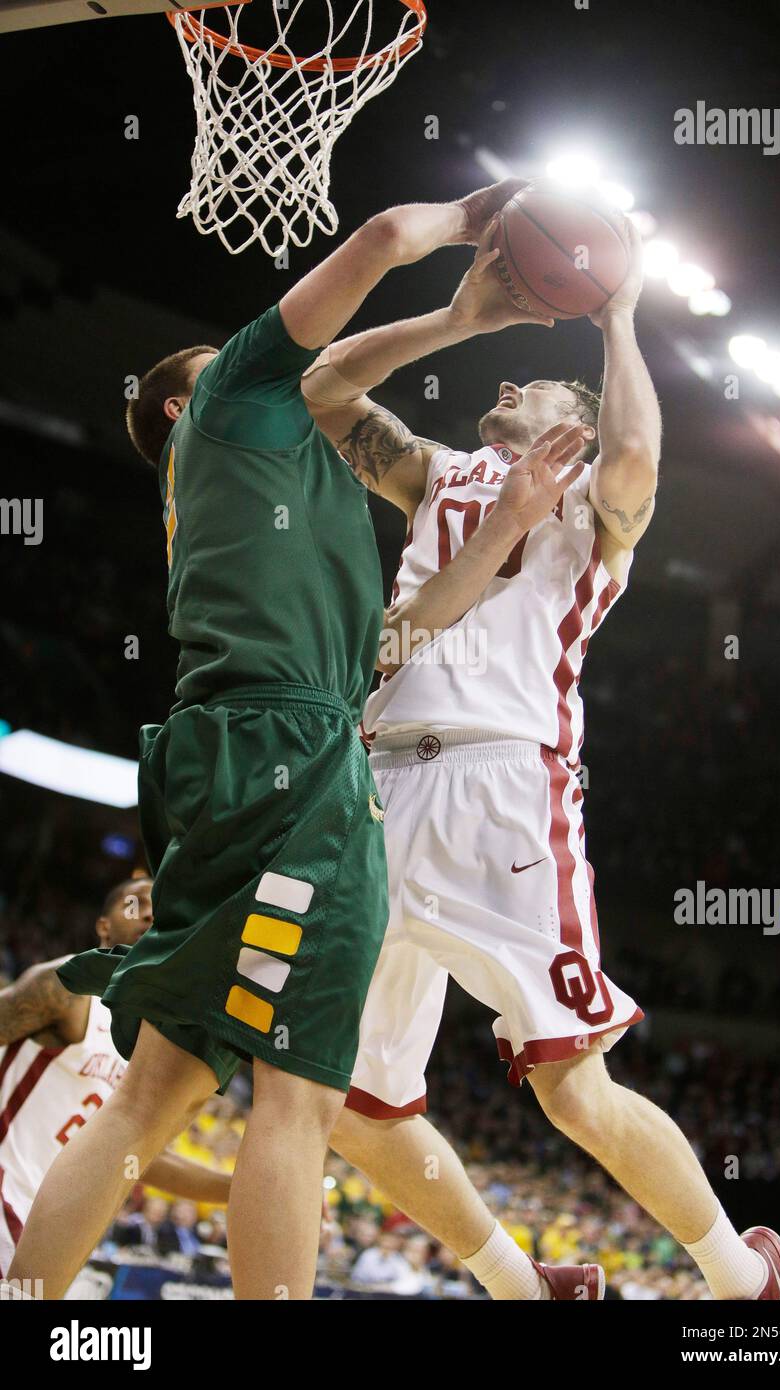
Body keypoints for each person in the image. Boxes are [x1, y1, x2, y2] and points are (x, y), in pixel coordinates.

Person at [7, 179, 581, 1302]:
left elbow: (396, 638)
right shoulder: (230, 402)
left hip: (236, 738)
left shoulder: (271, 482)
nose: (241, 358)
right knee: (299, 1094)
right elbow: (370, 248)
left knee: (154, 1089)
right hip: (291, 749)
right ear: (186, 403)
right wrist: (471, 220)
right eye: (214, 359)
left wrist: (505, 524)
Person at [303, 207, 780, 1301]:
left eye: (534, 382)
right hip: (372, 784)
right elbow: (323, 389)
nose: (513, 384)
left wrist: (619, 318)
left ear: (567, 418)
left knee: (570, 1091)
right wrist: (455, 315)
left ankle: (735, 1276)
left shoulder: (591, 511)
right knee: (352, 1100)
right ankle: (524, 1286)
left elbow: (634, 455)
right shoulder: (434, 472)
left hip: (501, 787)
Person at [0, 876, 229, 1277]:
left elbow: (142, 1159)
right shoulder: (68, 989)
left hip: (50, 1231)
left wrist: (244, 1190)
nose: (151, 911)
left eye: (164, 904)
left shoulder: (161, 1043)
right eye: (135, 902)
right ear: (103, 926)